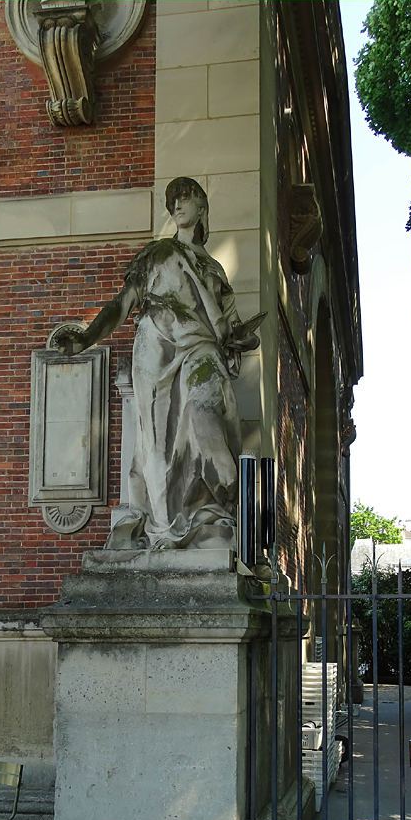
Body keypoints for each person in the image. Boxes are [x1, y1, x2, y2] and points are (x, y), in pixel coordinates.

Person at [55, 177, 261, 550]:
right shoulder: (157, 254)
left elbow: (229, 328)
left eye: (186, 199)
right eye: (173, 201)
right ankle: (164, 522)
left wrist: (242, 338)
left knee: (204, 411)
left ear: (202, 208)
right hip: (155, 343)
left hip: (200, 349)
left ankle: (215, 506)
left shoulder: (213, 269)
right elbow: (123, 303)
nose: (178, 206)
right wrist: (86, 336)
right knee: (155, 435)